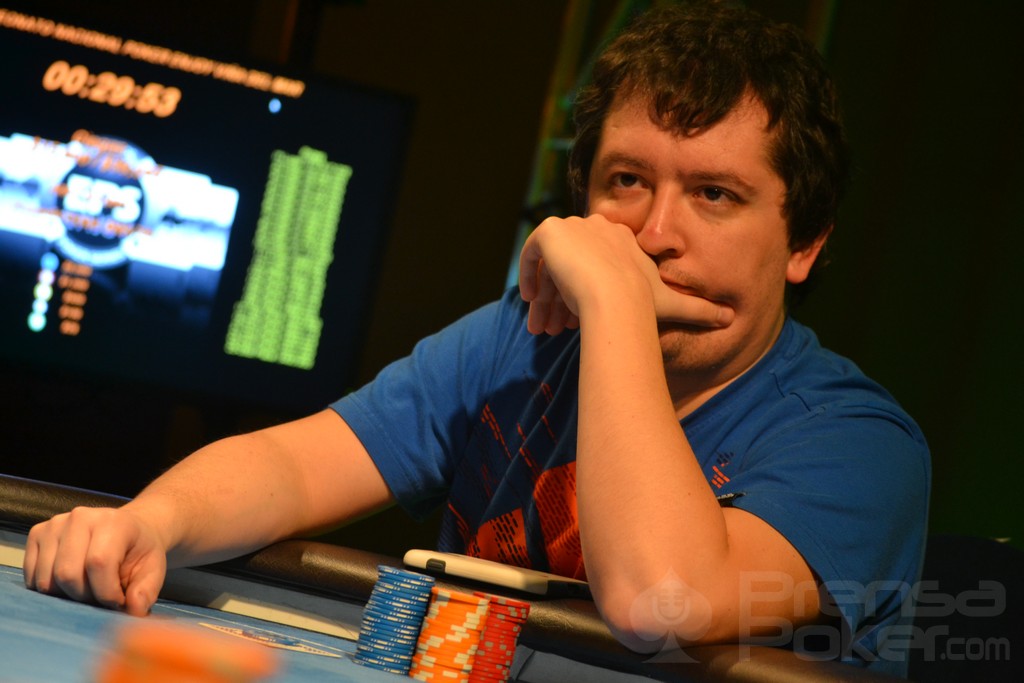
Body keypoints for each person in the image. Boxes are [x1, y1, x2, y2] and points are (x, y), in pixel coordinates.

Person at [23, 1, 929, 677]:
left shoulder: (860, 444)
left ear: (805, 242)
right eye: (626, 181)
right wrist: (151, 522)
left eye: (715, 195)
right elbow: (295, 465)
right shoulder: (519, 343)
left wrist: (613, 303)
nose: (654, 235)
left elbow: (661, 601)